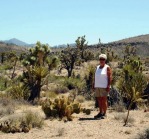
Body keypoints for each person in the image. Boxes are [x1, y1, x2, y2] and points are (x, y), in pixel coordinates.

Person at [92, 54, 112, 119]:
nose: (101, 60)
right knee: (99, 100)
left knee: (104, 100)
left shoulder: (107, 67)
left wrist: (108, 85)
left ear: (105, 60)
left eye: (103, 59)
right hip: (97, 86)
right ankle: (100, 112)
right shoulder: (97, 67)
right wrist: (93, 84)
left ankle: (105, 113)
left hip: (104, 86)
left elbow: (109, 77)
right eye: (100, 59)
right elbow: (95, 77)